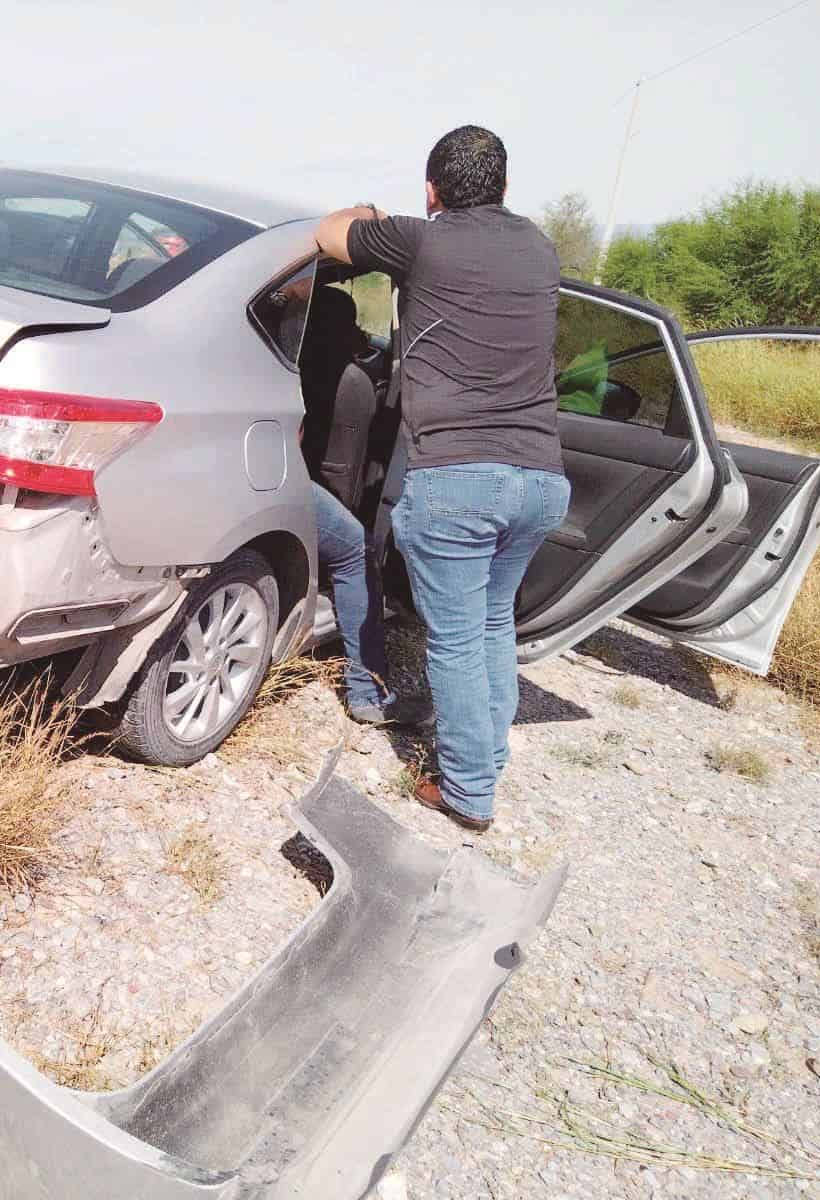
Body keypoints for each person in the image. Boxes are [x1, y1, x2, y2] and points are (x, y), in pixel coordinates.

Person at [313, 126, 570, 833]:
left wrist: (367, 212)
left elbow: (329, 233)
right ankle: (486, 761)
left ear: (430, 191)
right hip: (541, 480)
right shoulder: (538, 246)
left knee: (454, 639)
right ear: (505, 188)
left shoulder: (421, 240)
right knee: (490, 626)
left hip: (457, 477)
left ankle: (465, 792)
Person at [297, 286, 428, 727]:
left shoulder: (273, 351)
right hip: (273, 480)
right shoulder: (350, 382)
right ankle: (368, 693)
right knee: (356, 549)